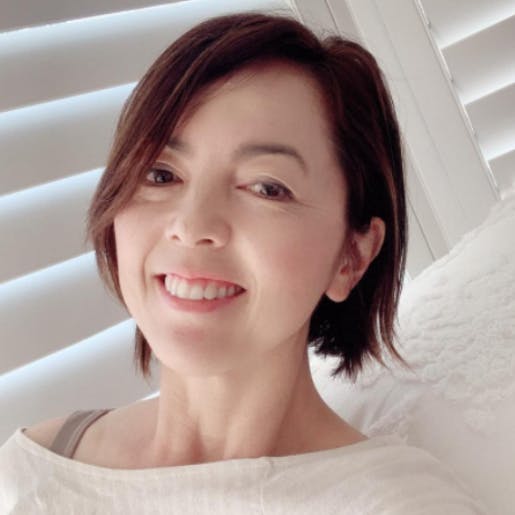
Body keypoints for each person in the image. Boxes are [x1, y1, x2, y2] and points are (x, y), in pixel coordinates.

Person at [0, 11, 488, 514]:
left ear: (352, 255)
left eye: (266, 187)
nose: (193, 225)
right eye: (161, 175)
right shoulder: (33, 469)